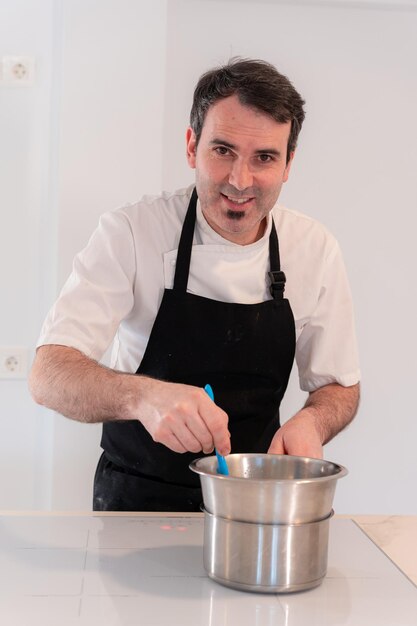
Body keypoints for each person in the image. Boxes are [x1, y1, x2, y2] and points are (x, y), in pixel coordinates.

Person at [29, 58, 360, 512]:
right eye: (222, 150)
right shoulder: (131, 233)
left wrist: (314, 422)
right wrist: (142, 395)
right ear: (191, 147)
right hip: (137, 501)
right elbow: (48, 375)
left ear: (288, 164)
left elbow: (339, 387)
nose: (239, 181)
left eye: (264, 157)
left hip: (253, 505)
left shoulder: (315, 249)